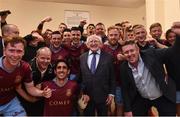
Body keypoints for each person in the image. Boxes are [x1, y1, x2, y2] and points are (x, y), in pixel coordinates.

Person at [120, 26, 180, 115]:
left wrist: (178, 35)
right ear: (123, 54)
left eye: (132, 50)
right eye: (126, 52)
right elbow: (125, 89)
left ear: (138, 50)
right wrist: (127, 110)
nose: (130, 54)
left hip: (163, 96)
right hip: (142, 99)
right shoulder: (124, 67)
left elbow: (173, 51)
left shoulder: (152, 54)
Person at [0, 37, 51, 116]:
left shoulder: (25, 67)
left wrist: (43, 93)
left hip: (10, 102)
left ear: (23, 52)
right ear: (4, 51)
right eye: (11, 50)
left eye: (19, 51)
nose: (15, 55)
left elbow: (30, 88)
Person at [79, 34, 116, 115]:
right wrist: (82, 92)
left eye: (96, 41)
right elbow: (81, 78)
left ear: (101, 44)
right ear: (87, 45)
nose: (93, 43)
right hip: (87, 97)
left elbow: (112, 77)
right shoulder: (82, 57)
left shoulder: (108, 57)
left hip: (103, 96)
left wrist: (111, 93)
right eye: (91, 41)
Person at [19, 47, 55, 116]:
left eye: (48, 58)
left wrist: (43, 85)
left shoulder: (52, 68)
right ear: (36, 57)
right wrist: (30, 99)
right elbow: (18, 88)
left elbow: (53, 83)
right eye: (42, 58)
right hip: (26, 99)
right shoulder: (27, 68)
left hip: (41, 99)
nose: (45, 61)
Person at [103, 26, 125, 116]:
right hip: (106, 82)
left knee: (119, 104)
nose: (113, 37)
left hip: (120, 81)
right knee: (107, 104)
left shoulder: (123, 47)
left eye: (115, 35)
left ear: (119, 36)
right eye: (111, 35)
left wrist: (124, 58)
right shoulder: (102, 48)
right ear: (107, 36)